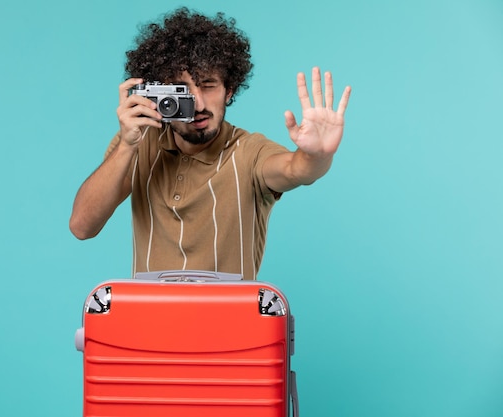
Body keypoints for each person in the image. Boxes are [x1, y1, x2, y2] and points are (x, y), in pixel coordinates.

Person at [69, 7, 351, 280]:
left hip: (231, 325)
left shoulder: (248, 151)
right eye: (181, 90)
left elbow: (294, 169)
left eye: (207, 84)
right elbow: (82, 226)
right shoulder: (137, 143)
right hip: (153, 323)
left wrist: (317, 155)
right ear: (157, 93)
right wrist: (128, 146)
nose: (198, 104)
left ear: (229, 90)